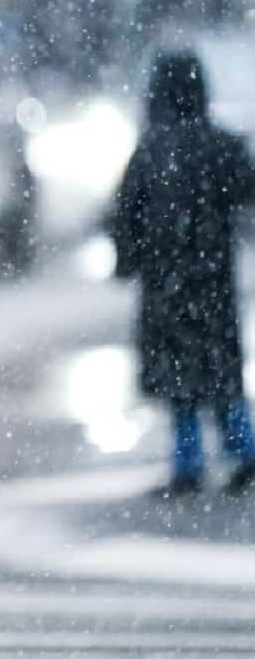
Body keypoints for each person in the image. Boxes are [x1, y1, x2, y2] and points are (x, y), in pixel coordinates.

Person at [112, 51, 255, 498]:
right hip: (212, 282)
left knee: (179, 384)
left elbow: (125, 214)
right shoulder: (222, 146)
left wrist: (129, 260)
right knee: (222, 376)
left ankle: (188, 464)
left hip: (165, 284)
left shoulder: (150, 150)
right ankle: (245, 451)